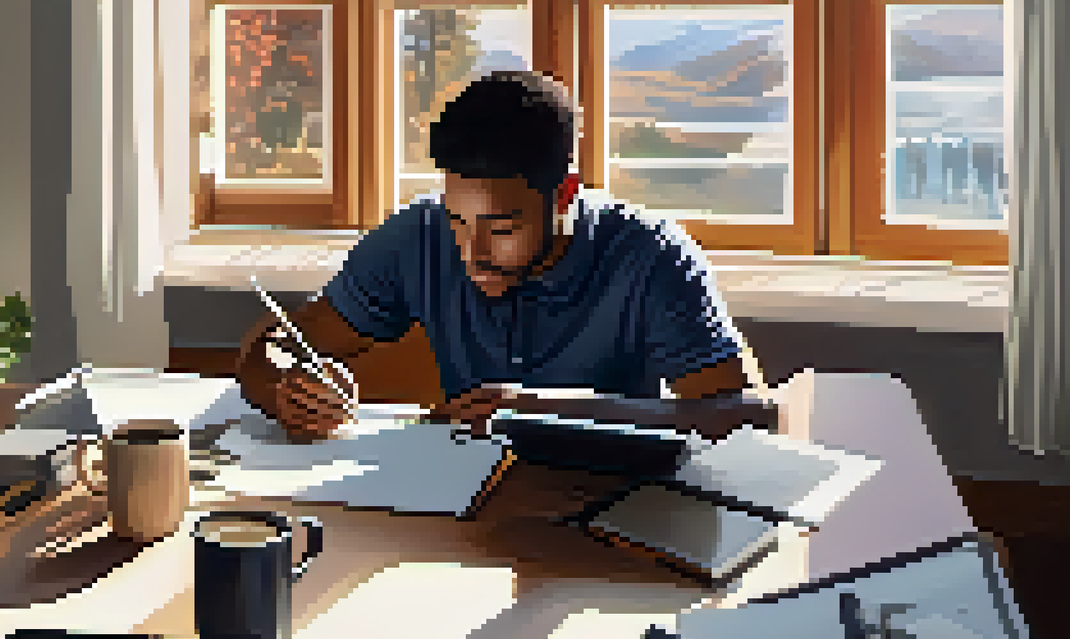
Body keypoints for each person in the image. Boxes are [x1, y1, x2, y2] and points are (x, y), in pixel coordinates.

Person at [236, 71, 774, 443]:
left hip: (620, 508)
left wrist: (553, 412)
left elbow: (751, 416)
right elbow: (271, 347)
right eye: (458, 221)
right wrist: (291, 391)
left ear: (563, 196)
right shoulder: (417, 234)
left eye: (502, 227)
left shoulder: (651, 256)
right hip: (462, 500)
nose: (472, 253)